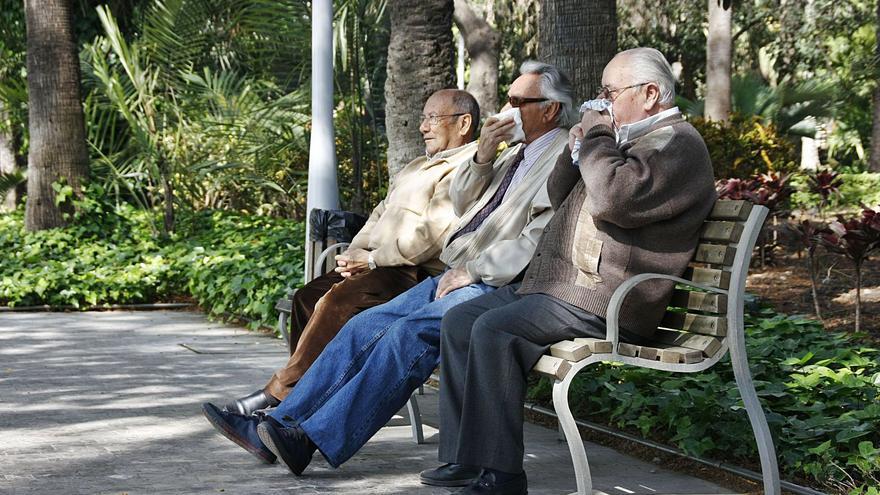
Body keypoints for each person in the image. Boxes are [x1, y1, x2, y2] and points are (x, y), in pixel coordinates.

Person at [201, 61, 574, 473]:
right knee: (361, 326)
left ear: (550, 110)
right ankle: (278, 424)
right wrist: (485, 155)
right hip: (455, 271)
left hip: (490, 281)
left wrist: (474, 270)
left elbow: (536, 238)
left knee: (402, 334)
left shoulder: (561, 157)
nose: (507, 108)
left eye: (519, 101)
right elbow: (465, 205)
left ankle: (308, 437)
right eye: (508, 98)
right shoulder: (511, 156)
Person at [424, 47, 718, 495]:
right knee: (461, 319)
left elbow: (613, 199)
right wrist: (577, 147)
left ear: (652, 93)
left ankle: (502, 476)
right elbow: (561, 192)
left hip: (611, 298)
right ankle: (467, 458)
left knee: (495, 331)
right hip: (566, 288)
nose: (602, 103)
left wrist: (598, 138)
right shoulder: (628, 140)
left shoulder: (675, 144)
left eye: (611, 93)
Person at [214, 89, 481, 416]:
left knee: (335, 303)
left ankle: (281, 395)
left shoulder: (466, 169)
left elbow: (431, 239)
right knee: (306, 297)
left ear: (464, 122)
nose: (423, 127)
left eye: (432, 118)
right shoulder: (415, 166)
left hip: (413, 273)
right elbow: (380, 212)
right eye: (423, 118)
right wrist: (356, 251)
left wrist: (370, 259)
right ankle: (305, 401)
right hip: (376, 265)